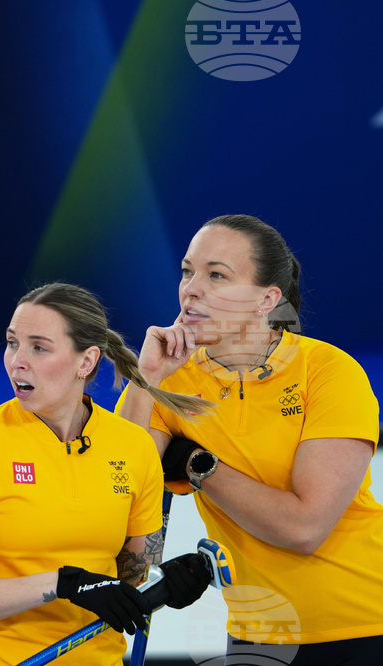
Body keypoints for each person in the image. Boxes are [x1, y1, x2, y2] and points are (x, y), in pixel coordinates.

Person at [117, 214, 383, 665]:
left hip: (363, 626)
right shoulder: (169, 380)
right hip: (255, 633)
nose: (191, 288)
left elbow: (304, 528)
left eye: (216, 275)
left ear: (267, 298)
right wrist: (146, 379)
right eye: (187, 271)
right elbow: (112, 494)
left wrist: (199, 467)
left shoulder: (328, 372)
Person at [0, 283, 212, 666]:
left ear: (86, 361)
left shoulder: (132, 446)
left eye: (39, 347)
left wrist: (170, 584)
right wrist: (62, 584)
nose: (17, 361)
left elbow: (133, 576)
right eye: (12, 343)